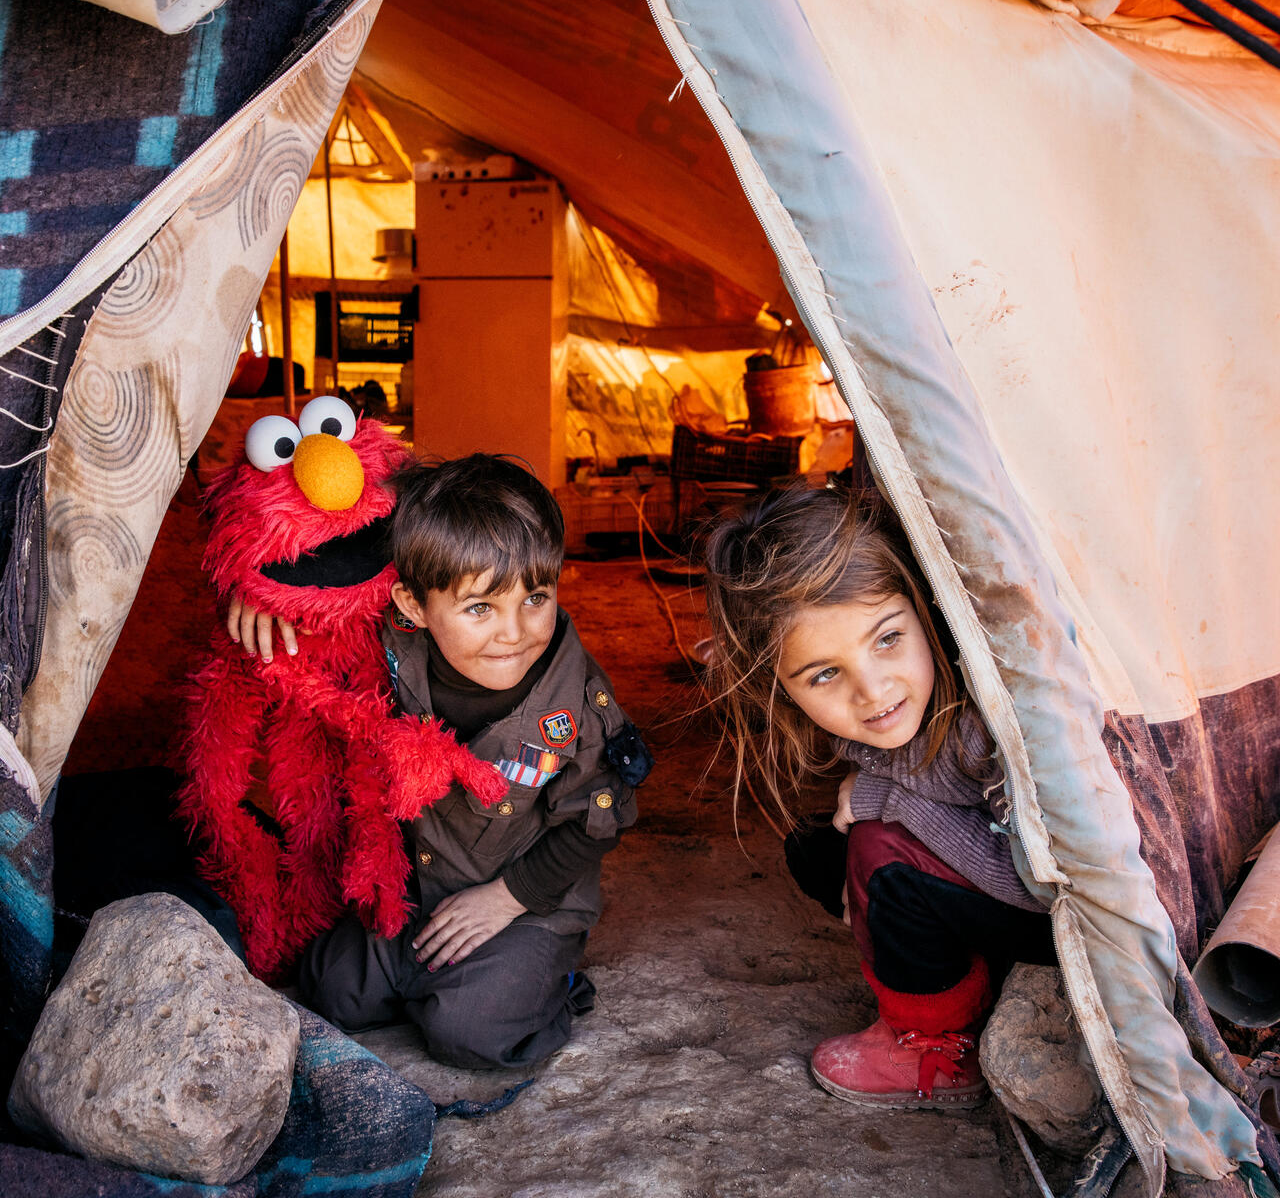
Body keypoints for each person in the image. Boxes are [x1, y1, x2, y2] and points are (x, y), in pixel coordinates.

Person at [232, 454, 649, 1069]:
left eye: (536, 595)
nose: (515, 631)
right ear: (414, 603)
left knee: (470, 1033)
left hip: (521, 904)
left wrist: (507, 899)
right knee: (333, 989)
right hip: (415, 888)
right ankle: (453, 982)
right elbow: (321, 584)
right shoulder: (392, 639)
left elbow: (598, 821)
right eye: (480, 607)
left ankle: (550, 986)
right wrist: (265, 600)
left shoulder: (579, 707)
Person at [701, 482, 1054, 1107]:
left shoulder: (986, 729)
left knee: (879, 856)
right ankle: (964, 975)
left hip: (1047, 911)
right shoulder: (887, 722)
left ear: (923, 609)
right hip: (989, 884)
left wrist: (886, 801)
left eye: (888, 638)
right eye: (826, 673)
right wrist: (873, 788)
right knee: (817, 851)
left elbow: (1038, 880)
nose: (872, 691)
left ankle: (936, 1047)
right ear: (780, 687)